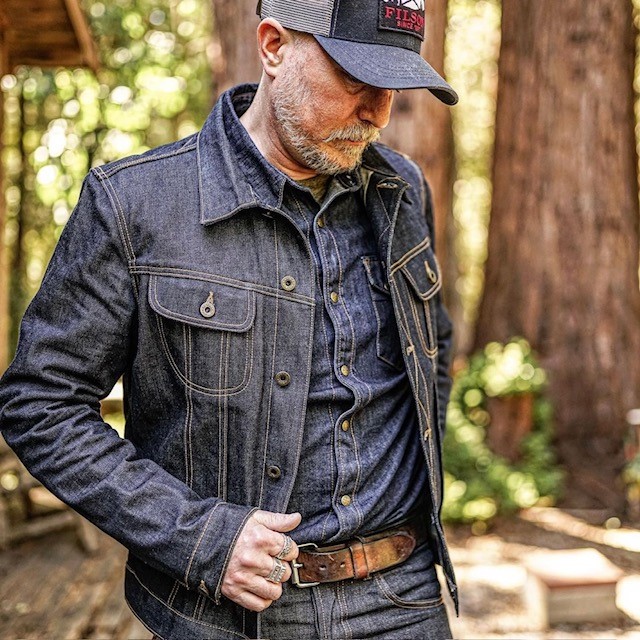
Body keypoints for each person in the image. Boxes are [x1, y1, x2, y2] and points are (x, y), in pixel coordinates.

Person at [0, 0, 459, 638]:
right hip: (230, 617)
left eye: (394, 87)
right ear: (273, 46)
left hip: (405, 599)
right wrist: (201, 539)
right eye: (356, 81)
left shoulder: (403, 190)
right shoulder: (134, 205)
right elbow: (40, 404)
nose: (377, 114)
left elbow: (430, 344)